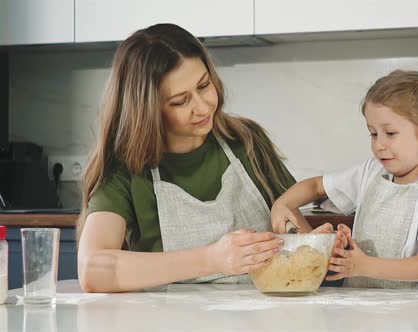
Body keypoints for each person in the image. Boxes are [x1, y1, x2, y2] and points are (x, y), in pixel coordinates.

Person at [77, 23, 299, 292]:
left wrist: (316, 241)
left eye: (204, 85)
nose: (203, 106)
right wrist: (212, 259)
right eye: (180, 101)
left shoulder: (246, 140)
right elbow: (92, 270)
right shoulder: (125, 169)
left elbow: (296, 231)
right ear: (147, 111)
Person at [271, 70, 418, 289]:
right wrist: (283, 203)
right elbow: (316, 186)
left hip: (406, 315)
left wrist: (362, 265)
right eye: (373, 133)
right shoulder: (372, 170)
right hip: (358, 308)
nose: (378, 145)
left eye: (390, 133)